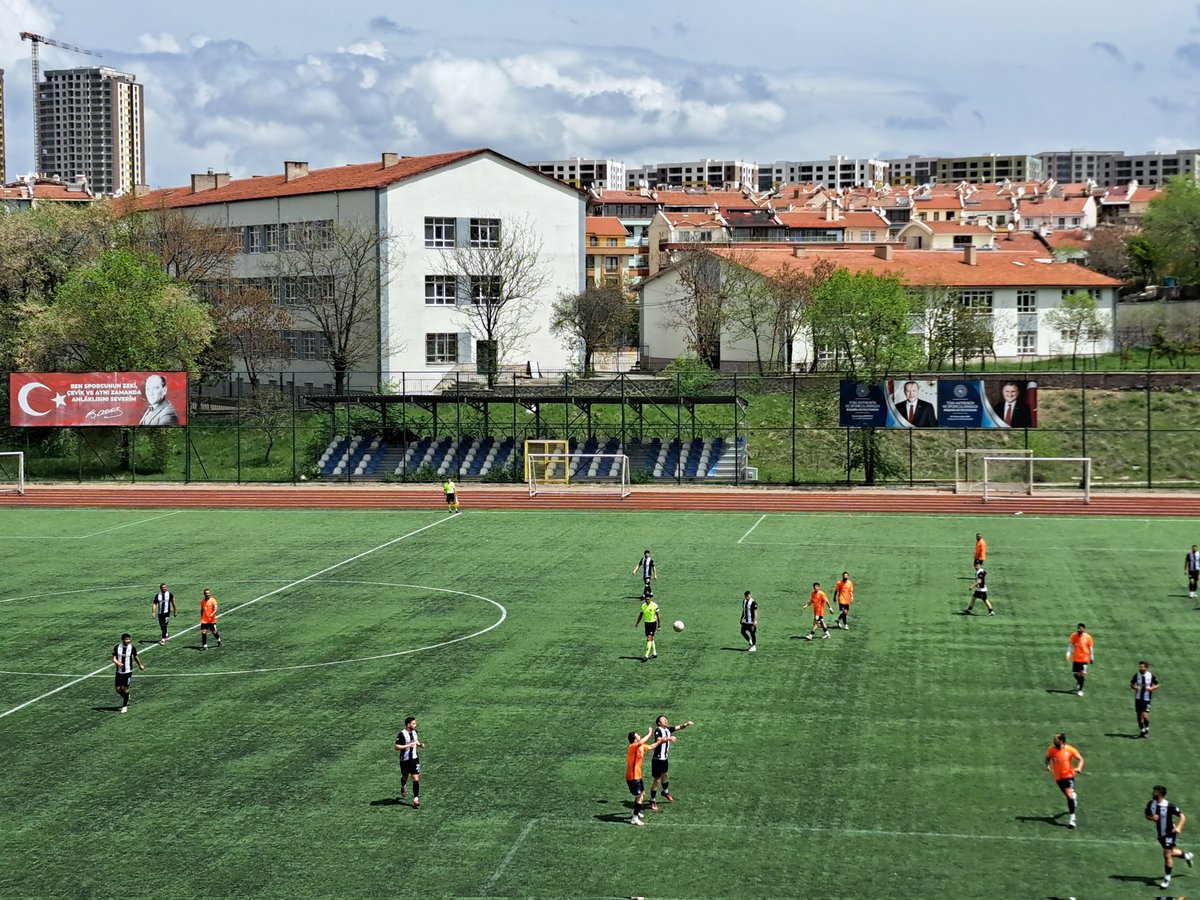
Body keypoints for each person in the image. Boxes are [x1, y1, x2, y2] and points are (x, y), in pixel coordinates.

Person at [1146, 785, 1194, 889]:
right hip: (1160, 834)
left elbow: (1182, 816)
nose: (1152, 793)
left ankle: (1167, 878)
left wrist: (1179, 828)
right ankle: (1187, 856)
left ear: (1160, 794)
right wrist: (1151, 817)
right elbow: (1147, 814)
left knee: (1167, 854)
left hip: (1169, 832)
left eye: (1155, 792)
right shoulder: (1151, 804)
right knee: (1172, 852)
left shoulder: (1169, 806)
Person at [625, 727, 671, 826]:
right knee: (640, 797)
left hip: (638, 776)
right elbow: (641, 742)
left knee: (641, 795)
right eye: (637, 735)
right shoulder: (632, 746)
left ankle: (634, 812)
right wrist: (650, 733)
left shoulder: (640, 746)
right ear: (634, 739)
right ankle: (634, 818)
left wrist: (661, 741)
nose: (639, 735)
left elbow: (650, 747)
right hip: (632, 777)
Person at [649, 715, 694, 810]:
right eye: (663, 719)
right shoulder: (658, 730)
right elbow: (659, 741)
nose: (665, 720)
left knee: (665, 775)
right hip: (657, 759)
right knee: (657, 780)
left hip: (664, 759)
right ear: (659, 723)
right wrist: (669, 738)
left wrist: (686, 724)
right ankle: (652, 800)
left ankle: (665, 792)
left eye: (665, 719)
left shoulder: (668, 730)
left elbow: (679, 727)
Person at [1045, 732, 1083, 829]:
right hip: (1058, 777)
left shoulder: (1070, 749)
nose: (1054, 740)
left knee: (1069, 795)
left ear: (1061, 740)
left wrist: (1079, 768)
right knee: (1068, 795)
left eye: (1056, 739)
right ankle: (1073, 796)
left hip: (1068, 775)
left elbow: (1080, 759)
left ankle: (1072, 818)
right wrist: (1048, 766)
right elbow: (1047, 758)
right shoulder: (1051, 749)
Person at [111, 633, 145, 713]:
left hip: (128, 672)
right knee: (118, 689)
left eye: (129, 639)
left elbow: (135, 656)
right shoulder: (117, 647)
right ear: (122, 640)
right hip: (119, 672)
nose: (128, 641)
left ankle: (124, 706)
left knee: (125, 689)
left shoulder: (132, 647)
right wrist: (118, 663)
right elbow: (113, 658)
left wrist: (140, 665)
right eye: (126, 639)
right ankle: (126, 697)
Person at [395, 716, 425, 807]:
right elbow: (396, 747)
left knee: (416, 778)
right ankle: (403, 786)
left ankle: (416, 799)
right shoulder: (401, 734)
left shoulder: (415, 732)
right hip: (405, 760)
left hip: (414, 759)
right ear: (408, 724)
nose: (415, 725)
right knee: (405, 777)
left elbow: (415, 741)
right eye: (413, 723)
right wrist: (408, 746)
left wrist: (419, 744)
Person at [1132, 661, 1160, 738]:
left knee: (1145, 716)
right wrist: (1135, 687)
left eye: (1141, 667)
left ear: (1146, 668)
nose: (1140, 668)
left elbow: (1157, 685)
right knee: (1138, 716)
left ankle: (1146, 729)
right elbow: (1132, 684)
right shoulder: (1136, 675)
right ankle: (1142, 731)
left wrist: (1151, 688)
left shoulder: (1150, 676)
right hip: (1138, 698)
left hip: (1146, 699)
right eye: (1139, 666)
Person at [1066, 623, 1094, 696]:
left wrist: (1092, 657)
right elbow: (1070, 646)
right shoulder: (1074, 636)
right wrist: (1068, 654)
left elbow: (1091, 648)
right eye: (1078, 628)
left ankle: (1080, 690)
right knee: (1075, 674)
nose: (1078, 629)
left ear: (1084, 629)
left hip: (1084, 659)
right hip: (1076, 659)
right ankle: (1079, 682)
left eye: (1080, 628)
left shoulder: (1088, 637)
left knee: (1082, 674)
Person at [635, 591, 661, 660]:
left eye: (648, 599)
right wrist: (637, 623)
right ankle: (654, 653)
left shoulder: (654, 605)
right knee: (651, 638)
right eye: (646, 599)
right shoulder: (643, 606)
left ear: (650, 599)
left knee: (649, 638)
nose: (647, 600)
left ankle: (646, 656)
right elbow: (640, 615)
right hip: (646, 624)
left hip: (653, 624)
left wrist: (659, 625)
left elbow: (658, 616)